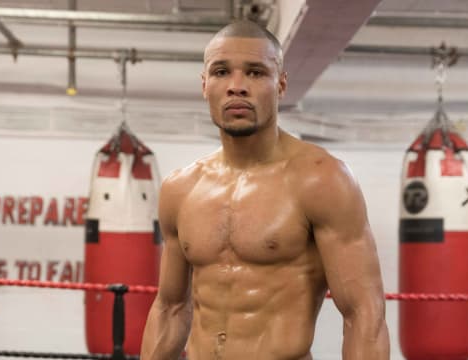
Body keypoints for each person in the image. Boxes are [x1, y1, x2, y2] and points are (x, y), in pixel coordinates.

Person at [140, 20, 389, 360]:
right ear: (204, 85)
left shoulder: (321, 179)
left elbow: (364, 314)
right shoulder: (180, 188)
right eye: (221, 72)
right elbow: (170, 308)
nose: (236, 86)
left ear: (281, 84)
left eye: (255, 73)